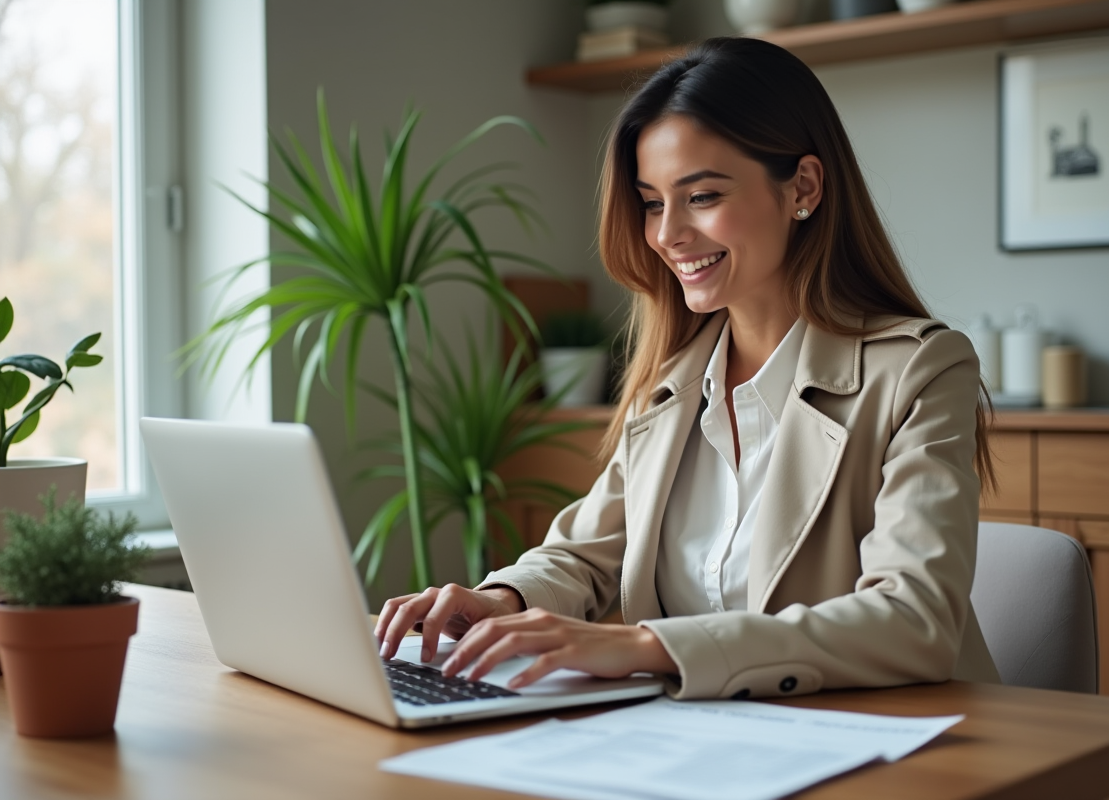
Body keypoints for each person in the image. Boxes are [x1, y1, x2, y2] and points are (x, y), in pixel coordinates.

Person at [375, 36, 1001, 699]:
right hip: (706, 744)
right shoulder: (671, 385)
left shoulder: (918, 370)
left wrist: (648, 647)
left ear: (804, 189)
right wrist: (501, 599)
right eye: (651, 201)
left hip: (891, 746)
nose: (666, 233)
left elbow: (912, 621)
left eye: (700, 195)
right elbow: (587, 555)